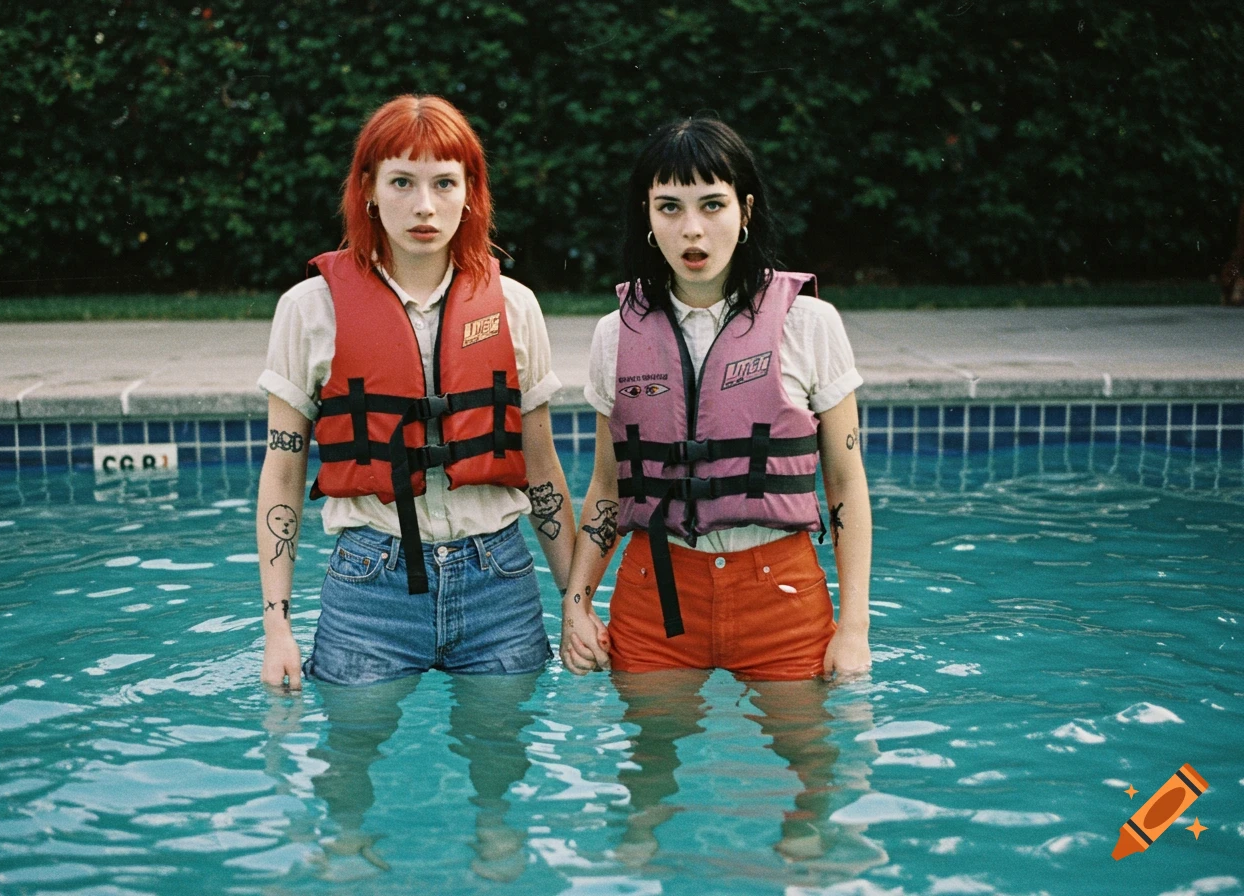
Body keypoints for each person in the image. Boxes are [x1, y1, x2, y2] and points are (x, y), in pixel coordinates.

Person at [254, 93, 575, 690]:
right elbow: (282, 471)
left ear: (471, 193)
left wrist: (577, 603)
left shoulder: (515, 305)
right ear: (369, 189)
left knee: (500, 772)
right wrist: (278, 627)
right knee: (351, 770)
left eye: (445, 184)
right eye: (402, 182)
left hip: (498, 582)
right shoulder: (308, 310)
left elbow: (542, 464)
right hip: (368, 585)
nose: (424, 207)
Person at [559, 117, 872, 683]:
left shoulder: (810, 324)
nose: (692, 231)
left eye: (711, 204)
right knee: (648, 769)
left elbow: (846, 484)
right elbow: (608, 485)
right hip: (656, 599)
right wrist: (576, 606)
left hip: (782, 597)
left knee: (811, 769)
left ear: (745, 210)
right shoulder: (615, 334)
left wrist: (854, 629)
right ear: (648, 218)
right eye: (669, 208)